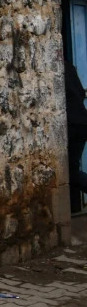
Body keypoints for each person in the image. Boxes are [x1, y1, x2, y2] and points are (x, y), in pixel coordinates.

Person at [65, 44, 87, 212]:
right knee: (71, 169)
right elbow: (80, 92)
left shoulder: (56, 70)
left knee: (70, 173)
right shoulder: (69, 66)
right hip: (82, 123)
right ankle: (73, 208)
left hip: (73, 125)